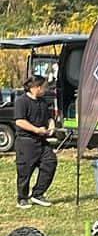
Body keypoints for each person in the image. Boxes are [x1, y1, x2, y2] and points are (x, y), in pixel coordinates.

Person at [13, 74, 57, 208]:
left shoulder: (42, 101)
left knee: (50, 162)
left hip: (42, 142)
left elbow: (49, 117)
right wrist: (36, 130)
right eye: (44, 87)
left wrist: (51, 124)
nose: (46, 89)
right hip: (26, 142)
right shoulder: (22, 101)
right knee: (25, 172)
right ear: (35, 87)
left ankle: (38, 194)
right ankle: (22, 198)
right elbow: (20, 121)